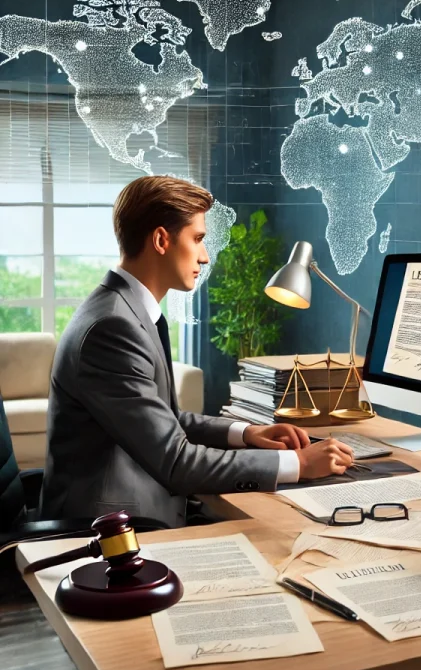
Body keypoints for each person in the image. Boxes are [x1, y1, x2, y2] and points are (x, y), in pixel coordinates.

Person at [39, 176, 354, 528]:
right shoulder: (113, 328)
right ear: (161, 240)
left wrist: (247, 433)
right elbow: (176, 461)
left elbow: (163, 420)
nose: (204, 257)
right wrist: (301, 464)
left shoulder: (124, 311)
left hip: (141, 508)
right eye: (198, 239)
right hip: (110, 532)